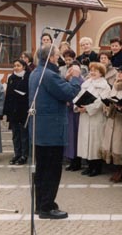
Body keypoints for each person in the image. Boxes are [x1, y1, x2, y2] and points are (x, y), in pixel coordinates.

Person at [28, 45, 82, 220]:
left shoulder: (37, 72)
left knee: (42, 169)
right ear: (50, 57)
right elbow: (69, 94)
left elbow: (53, 92)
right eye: (57, 56)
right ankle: (47, 207)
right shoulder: (49, 75)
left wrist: (64, 79)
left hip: (41, 130)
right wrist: (75, 78)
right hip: (52, 131)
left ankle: (40, 204)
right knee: (51, 170)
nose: (59, 59)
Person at [76, 62, 111, 177]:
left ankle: (96, 167)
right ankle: (89, 165)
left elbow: (101, 102)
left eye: (95, 70)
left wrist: (88, 108)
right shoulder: (86, 83)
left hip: (96, 117)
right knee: (86, 141)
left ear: (101, 73)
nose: (92, 72)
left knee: (95, 142)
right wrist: (78, 106)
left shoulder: (105, 86)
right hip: (85, 117)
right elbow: (78, 96)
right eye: (91, 70)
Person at [101, 65, 122, 182]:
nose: (119, 74)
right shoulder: (115, 85)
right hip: (113, 117)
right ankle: (116, 169)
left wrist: (121, 106)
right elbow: (111, 98)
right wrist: (107, 103)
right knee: (112, 144)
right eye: (118, 72)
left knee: (120, 146)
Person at [3, 59, 30, 165]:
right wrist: (6, 111)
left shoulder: (28, 77)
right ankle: (17, 154)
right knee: (15, 135)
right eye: (14, 66)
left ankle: (24, 155)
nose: (15, 67)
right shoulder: (11, 78)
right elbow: (8, 95)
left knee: (24, 134)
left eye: (18, 65)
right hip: (13, 110)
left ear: (24, 67)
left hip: (23, 110)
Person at [63, 60, 84, 172]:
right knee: (70, 137)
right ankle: (71, 160)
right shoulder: (69, 80)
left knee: (75, 137)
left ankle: (77, 162)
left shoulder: (81, 81)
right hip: (69, 112)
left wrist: (71, 102)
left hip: (76, 112)